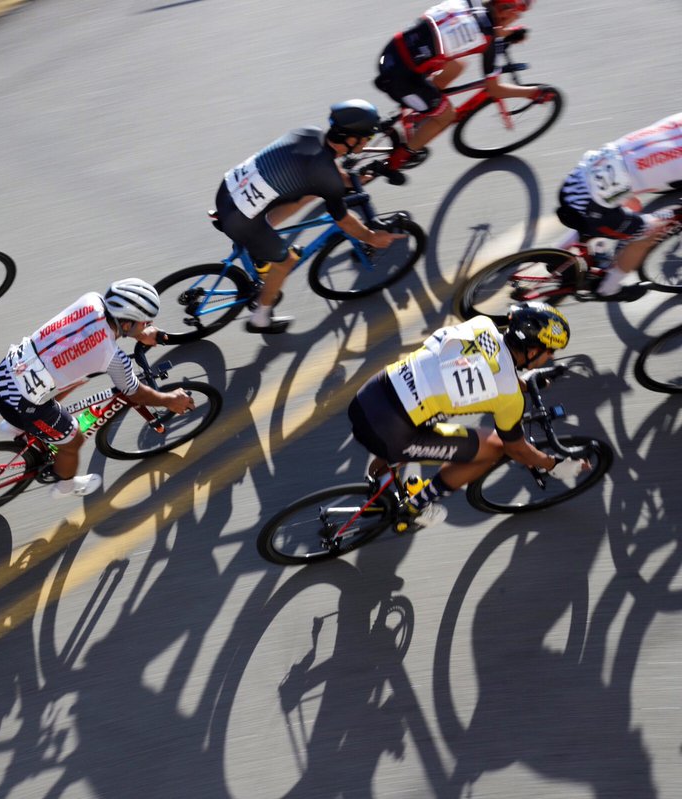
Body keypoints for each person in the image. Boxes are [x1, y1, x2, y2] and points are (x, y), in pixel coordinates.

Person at [347, 301, 588, 529]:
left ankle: (378, 487)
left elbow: (478, 365)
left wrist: (522, 383)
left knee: (429, 412)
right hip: (388, 430)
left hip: (369, 396)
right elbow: (516, 449)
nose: (552, 357)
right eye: (550, 351)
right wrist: (552, 464)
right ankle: (415, 508)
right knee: (492, 447)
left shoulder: (480, 325)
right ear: (533, 350)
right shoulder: (509, 397)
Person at [215, 100, 407, 334]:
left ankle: (261, 242)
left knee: (306, 194)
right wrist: (371, 238)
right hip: (240, 219)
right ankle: (260, 319)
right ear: (350, 138)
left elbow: (317, 170)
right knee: (287, 261)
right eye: (365, 138)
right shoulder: (325, 176)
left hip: (228, 191)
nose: (367, 142)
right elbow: (344, 220)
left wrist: (346, 180)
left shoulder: (309, 133)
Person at [0, 279, 195, 498]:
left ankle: (16, 426)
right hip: (20, 403)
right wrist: (170, 400)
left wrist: (138, 332)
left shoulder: (91, 299)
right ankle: (66, 486)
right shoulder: (112, 358)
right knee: (73, 441)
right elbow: (135, 392)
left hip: (6, 372)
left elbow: (90, 334)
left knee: (77, 378)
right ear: (126, 324)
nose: (148, 325)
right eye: (145, 322)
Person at [372, 0, 552, 184]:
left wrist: (507, 33)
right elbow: (495, 89)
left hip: (393, 52)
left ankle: (422, 110)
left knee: (456, 66)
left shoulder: (469, 3)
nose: (517, 19)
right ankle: (396, 161)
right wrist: (534, 93)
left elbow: (479, 26)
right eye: (517, 15)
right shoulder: (487, 40)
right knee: (447, 116)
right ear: (505, 11)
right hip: (401, 79)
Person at [556, 112, 682, 297]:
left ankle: (557, 255)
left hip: (578, 179)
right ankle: (609, 288)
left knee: (618, 209)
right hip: (592, 205)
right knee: (651, 231)